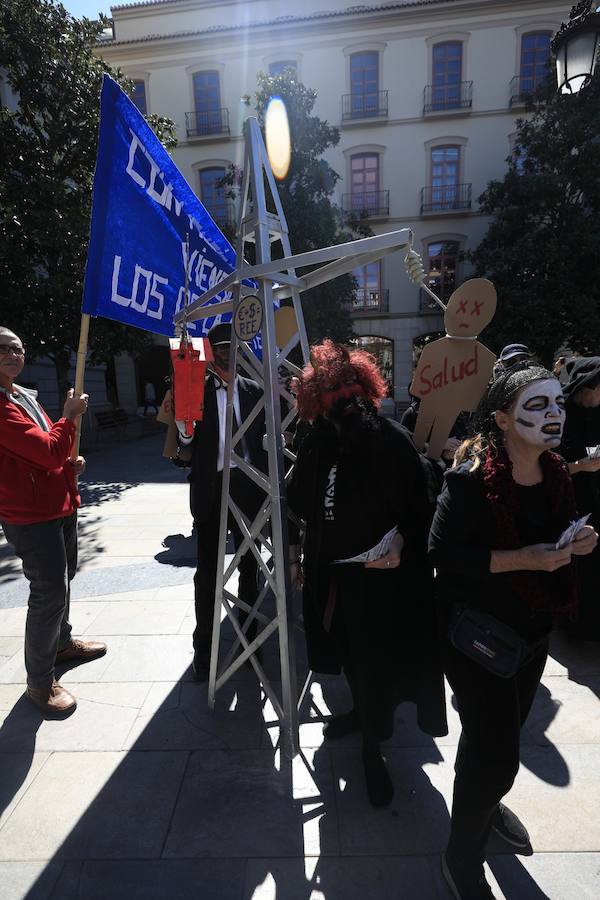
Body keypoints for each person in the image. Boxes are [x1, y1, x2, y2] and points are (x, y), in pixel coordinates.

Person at [429, 365, 598, 899]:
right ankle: (461, 857)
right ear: (502, 418)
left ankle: (485, 803)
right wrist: (523, 559)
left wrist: (576, 544)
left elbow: (551, 547)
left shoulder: (556, 474)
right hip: (477, 638)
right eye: (537, 405)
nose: (553, 415)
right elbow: (444, 557)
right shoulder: (470, 478)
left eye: (557, 404)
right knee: (495, 749)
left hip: (532, 635)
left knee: (496, 743)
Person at [287, 340, 447, 808]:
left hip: (382, 583)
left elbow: (424, 506)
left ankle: (371, 749)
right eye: (330, 391)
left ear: (365, 388)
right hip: (333, 580)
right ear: (316, 399)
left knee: (377, 665)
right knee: (349, 660)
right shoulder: (316, 443)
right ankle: (359, 713)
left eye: (348, 387)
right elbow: (299, 506)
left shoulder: (391, 439)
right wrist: (297, 555)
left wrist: (401, 541)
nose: (341, 398)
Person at [0, 327, 107, 716]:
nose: (13, 354)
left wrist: (68, 463)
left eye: (18, 347)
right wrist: (68, 418)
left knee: (65, 578)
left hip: (58, 503)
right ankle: (39, 683)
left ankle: (61, 643)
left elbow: (51, 450)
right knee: (48, 593)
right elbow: (45, 451)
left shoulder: (22, 395)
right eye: (4, 349)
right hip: (30, 515)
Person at [177, 323, 267, 681]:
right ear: (210, 353)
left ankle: (250, 637)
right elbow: (185, 451)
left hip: (248, 491)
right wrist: (185, 431)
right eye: (221, 348)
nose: (228, 354)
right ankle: (204, 646)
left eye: (233, 347)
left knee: (250, 567)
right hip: (211, 491)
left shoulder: (255, 391)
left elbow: (262, 446)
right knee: (209, 573)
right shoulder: (192, 391)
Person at [559, 357, 600, 639]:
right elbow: (546, 465)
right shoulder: (560, 417)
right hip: (573, 507)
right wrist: (579, 466)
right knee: (579, 572)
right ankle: (576, 628)